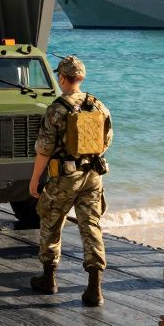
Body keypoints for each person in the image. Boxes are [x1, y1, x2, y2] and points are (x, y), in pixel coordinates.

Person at [28, 56, 113, 306]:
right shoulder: (98, 106)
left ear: (63, 78)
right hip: (93, 176)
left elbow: (44, 149)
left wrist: (35, 181)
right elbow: (107, 141)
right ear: (82, 78)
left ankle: (49, 279)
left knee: (51, 222)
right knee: (91, 226)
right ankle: (94, 289)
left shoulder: (57, 108)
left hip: (65, 177)